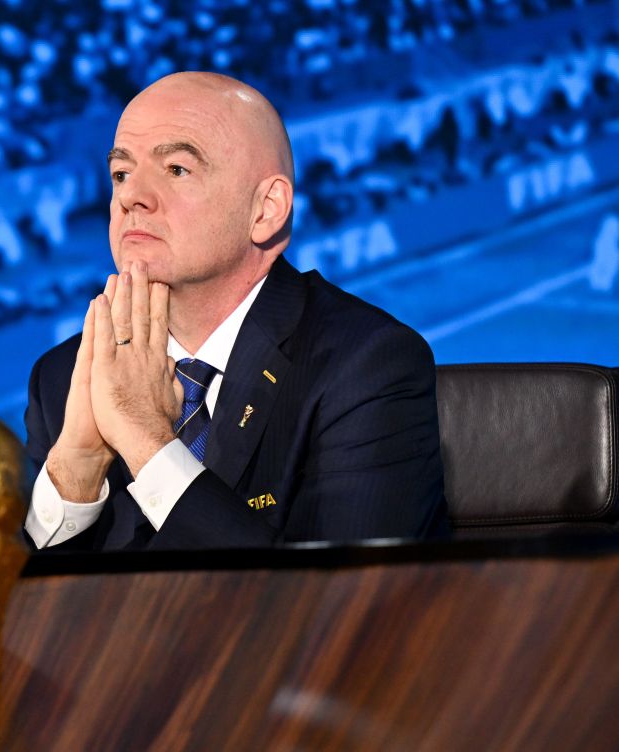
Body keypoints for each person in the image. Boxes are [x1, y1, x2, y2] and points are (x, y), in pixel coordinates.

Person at [24, 72, 447, 551]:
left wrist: (146, 442)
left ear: (266, 209)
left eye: (176, 169)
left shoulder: (367, 365)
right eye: (121, 173)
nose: (130, 196)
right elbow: (22, 597)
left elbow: (340, 593)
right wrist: (77, 468)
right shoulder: (63, 378)